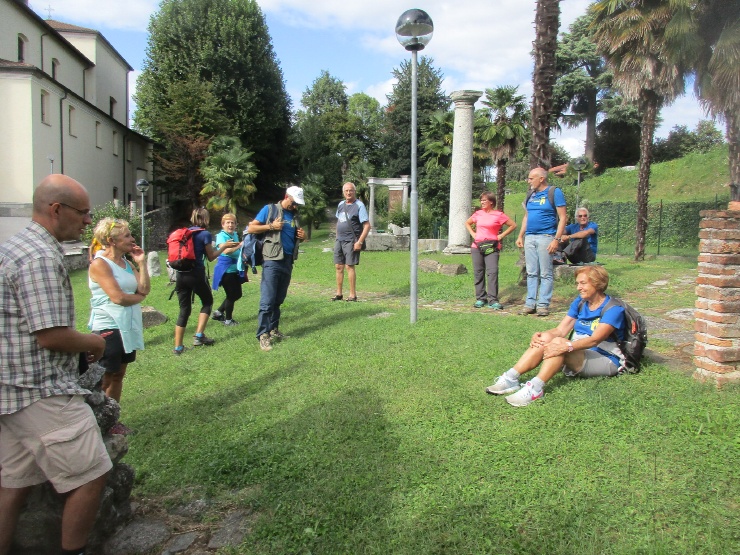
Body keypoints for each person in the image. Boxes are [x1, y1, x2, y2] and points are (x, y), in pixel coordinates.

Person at [0, 174, 111, 555]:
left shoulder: (14, 246)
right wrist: (93, 341)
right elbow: (50, 335)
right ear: (56, 209)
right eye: (82, 213)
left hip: (10, 390)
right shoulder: (40, 257)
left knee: (15, 482)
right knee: (91, 474)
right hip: (41, 389)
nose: (86, 221)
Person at [485, 266, 626, 407]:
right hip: (580, 351)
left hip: (606, 359)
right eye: (577, 283)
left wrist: (566, 346)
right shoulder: (581, 302)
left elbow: (595, 340)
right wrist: (541, 336)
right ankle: (511, 378)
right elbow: (560, 330)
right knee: (547, 338)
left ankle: (535, 388)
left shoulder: (613, 309)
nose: (578, 287)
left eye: (583, 283)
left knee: (559, 344)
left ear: (597, 283)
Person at [88, 218, 150, 435]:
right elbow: (117, 298)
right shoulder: (100, 264)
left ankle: (111, 420)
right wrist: (138, 297)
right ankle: (97, 423)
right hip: (108, 326)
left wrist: (141, 263)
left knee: (118, 375)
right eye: (126, 236)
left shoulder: (127, 263)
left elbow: (144, 289)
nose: (132, 239)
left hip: (127, 326)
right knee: (106, 377)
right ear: (110, 240)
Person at [173, 208, 239, 355]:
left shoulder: (184, 233)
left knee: (184, 310)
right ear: (206, 219)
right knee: (207, 302)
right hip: (196, 274)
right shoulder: (204, 234)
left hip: (181, 275)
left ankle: (178, 347)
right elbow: (211, 256)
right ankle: (199, 336)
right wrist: (224, 247)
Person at [247, 186, 306, 352]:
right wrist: (271, 227)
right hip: (272, 260)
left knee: (279, 299)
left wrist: (303, 237)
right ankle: (263, 335)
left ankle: (273, 330)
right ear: (286, 196)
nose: (295, 207)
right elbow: (251, 228)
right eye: (294, 203)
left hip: (287, 260)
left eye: (297, 205)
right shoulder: (270, 209)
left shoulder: (294, 216)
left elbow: (294, 235)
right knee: (268, 300)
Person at [516, 167, 567, 317]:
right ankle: (530, 304)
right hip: (530, 237)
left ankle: (543, 305)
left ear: (541, 179)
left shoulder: (554, 192)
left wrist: (556, 240)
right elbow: (527, 216)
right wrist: (520, 235)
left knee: (545, 273)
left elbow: (563, 217)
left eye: (531, 178)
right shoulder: (530, 195)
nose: (528, 181)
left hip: (546, 237)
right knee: (531, 272)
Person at [464, 191, 517, 309]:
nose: (482, 202)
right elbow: (467, 223)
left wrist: (501, 236)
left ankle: (493, 300)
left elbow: (513, 225)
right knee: (478, 272)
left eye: (484, 200)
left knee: (492, 272)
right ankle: (480, 298)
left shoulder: (498, 215)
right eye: (481, 200)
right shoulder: (478, 214)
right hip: (477, 246)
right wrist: (473, 233)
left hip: (492, 247)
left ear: (491, 202)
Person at [332, 182, 370, 302]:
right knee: (338, 266)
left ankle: (352, 295)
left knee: (349, 266)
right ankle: (339, 294)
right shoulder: (341, 204)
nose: (349, 193)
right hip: (340, 240)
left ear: (354, 191)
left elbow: (367, 226)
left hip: (351, 241)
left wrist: (359, 242)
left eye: (351, 190)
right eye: (346, 191)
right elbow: (338, 221)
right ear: (343, 192)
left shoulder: (359, 205)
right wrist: (337, 236)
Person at [210, 213, 244, 326]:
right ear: (223, 224)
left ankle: (218, 312)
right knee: (231, 295)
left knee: (237, 294)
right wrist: (239, 246)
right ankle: (228, 320)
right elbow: (225, 251)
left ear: (236, 225)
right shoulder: (221, 236)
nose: (230, 225)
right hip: (225, 270)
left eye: (232, 223)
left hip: (235, 269)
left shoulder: (234, 234)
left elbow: (237, 251)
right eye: (228, 223)